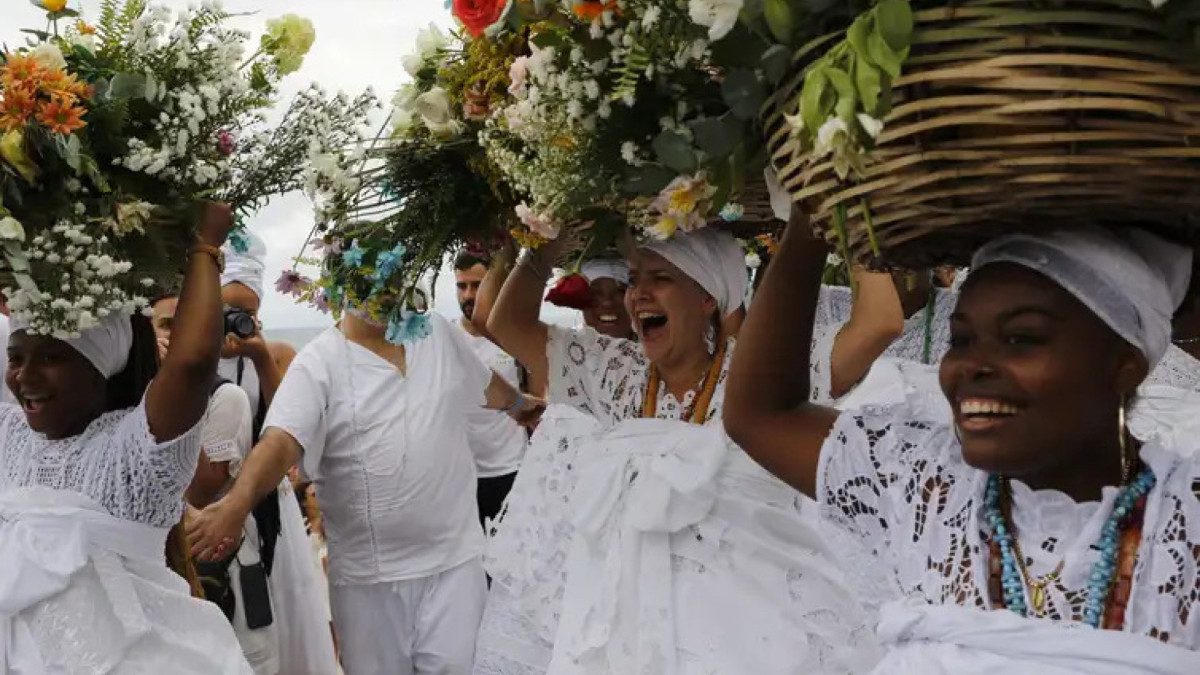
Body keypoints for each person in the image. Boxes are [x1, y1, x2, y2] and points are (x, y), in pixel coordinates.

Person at [724, 213, 1200, 672]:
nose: (971, 367)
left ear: (1125, 362)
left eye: (1021, 338)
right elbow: (761, 414)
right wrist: (810, 224)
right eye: (962, 339)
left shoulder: (1186, 519)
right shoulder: (925, 484)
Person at [478, 227, 881, 675]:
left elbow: (880, 322)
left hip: (746, 634)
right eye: (634, 279)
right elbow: (506, 323)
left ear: (708, 297)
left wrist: (837, 209)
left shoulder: (765, 377)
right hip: (628, 632)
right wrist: (545, 233)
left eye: (660, 278)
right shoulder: (615, 370)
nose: (638, 295)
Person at [187, 299, 543, 675]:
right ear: (339, 282)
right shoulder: (318, 363)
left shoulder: (436, 332)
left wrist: (521, 405)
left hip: (455, 564)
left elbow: (483, 382)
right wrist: (235, 505)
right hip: (368, 583)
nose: (379, 290)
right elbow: (281, 440)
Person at [0, 202, 252, 673]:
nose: (25, 377)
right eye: (16, 357)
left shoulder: (135, 452)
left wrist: (204, 245)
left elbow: (193, 362)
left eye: (51, 357)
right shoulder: (8, 433)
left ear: (102, 365)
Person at [153, 290, 340, 675]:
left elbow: (205, 487)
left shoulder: (228, 395)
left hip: (238, 528)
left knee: (254, 640)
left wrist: (255, 354)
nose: (175, 335)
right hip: (168, 543)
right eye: (164, 325)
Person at [470, 250, 635, 675]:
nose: (608, 302)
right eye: (595, 291)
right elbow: (493, 316)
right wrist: (533, 240)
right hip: (564, 530)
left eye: (620, 290)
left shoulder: (671, 359)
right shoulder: (568, 351)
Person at [454, 249, 530, 528]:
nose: (468, 295)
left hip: (512, 469)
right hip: (463, 476)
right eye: (461, 286)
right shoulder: (448, 340)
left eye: (477, 285)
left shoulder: (515, 338)